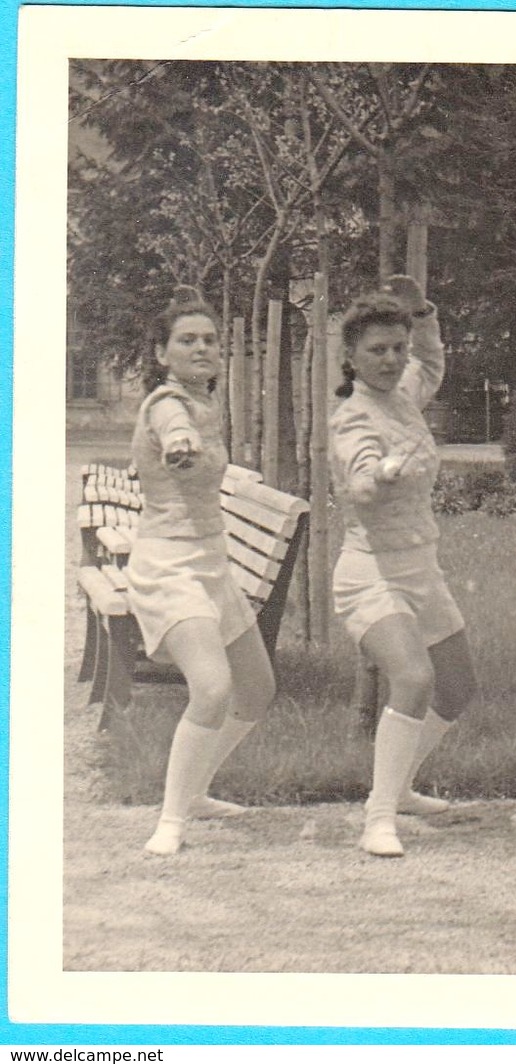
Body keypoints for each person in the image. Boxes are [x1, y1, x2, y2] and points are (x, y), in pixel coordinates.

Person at [330, 277, 478, 858]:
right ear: (351, 358)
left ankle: (400, 785)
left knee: (459, 687)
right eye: (377, 351)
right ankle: (379, 816)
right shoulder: (352, 417)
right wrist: (377, 476)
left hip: (421, 568)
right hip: (371, 572)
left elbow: (431, 362)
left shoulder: (405, 394)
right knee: (414, 679)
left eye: (397, 347)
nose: (392, 360)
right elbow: (359, 477)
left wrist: (423, 314)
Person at [131, 287, 274, 856]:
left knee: (257, 691)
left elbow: (205, 460)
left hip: (212, 565)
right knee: (213, 688)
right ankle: (171, 820)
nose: (201, 348)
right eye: (186, 340)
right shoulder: (169, 404)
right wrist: (181, 445)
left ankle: (194, 790)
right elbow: (175, 436)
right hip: (170, 567)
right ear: (162, 353)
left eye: (210, 340)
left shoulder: (205, 404)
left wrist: (235, 477)